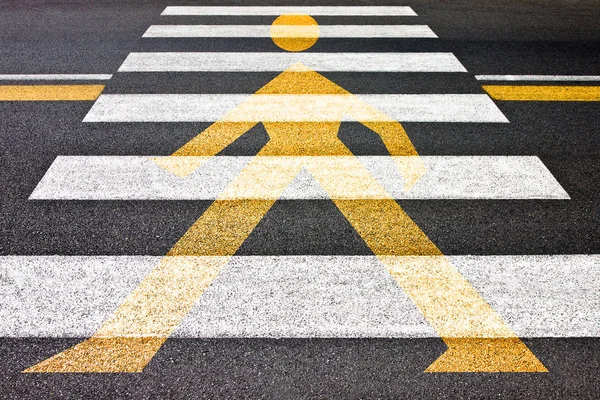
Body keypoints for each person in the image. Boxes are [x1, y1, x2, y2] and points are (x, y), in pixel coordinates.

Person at [27, 14, 545, 374]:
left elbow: (232, 126)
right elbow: (376, 122)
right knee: (400, 248)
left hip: (308, 160)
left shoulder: (295, 83)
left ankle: (115, 349)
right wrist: (403, 155)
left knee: (202, 249)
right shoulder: (308, 82)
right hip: (301, 161)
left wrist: (184, 160)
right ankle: (485, 343)